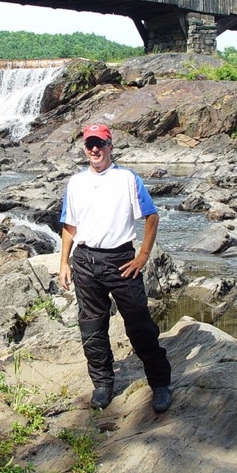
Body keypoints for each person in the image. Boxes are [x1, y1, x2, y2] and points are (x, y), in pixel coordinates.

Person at [58, 123, 172, 413]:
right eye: (89, 144)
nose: (94, 149)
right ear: (85, 148)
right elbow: (70, 226)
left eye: (100, 143)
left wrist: (143, 256)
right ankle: (103, 385)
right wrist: (64, 263)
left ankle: (159, 384)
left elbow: (152, 216)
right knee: (92, 328)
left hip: (121, 261)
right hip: (84, 262)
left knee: (140, 326)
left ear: (110, 146)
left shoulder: (127, 179)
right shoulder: (75, 183)